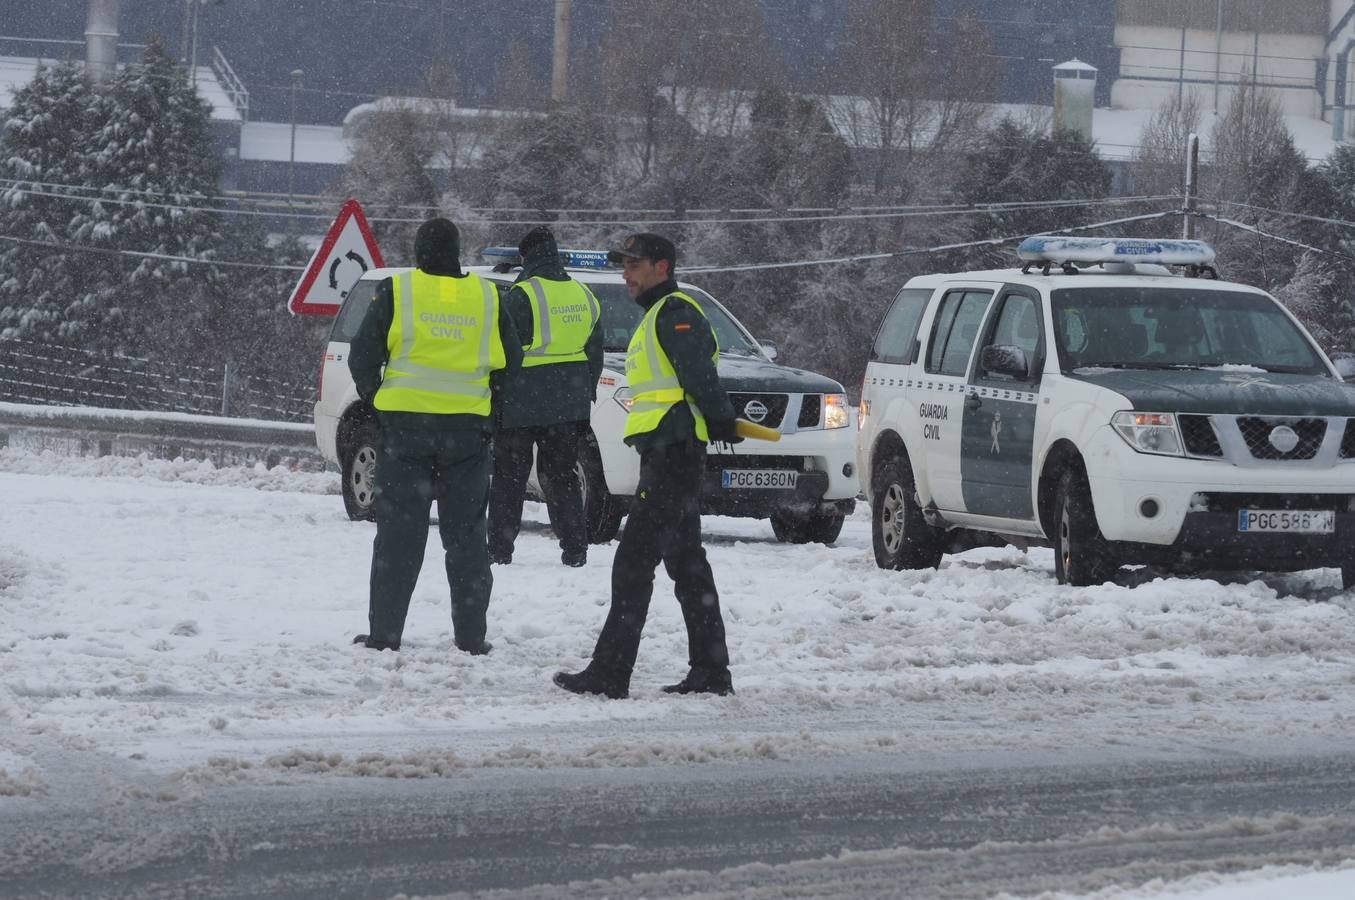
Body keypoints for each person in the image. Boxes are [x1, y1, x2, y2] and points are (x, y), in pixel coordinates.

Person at [553, 233, 741, 700]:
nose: (626, 274)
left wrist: (720, 419)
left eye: (634, 265)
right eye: (624, 265)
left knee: (634, 562)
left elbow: (698, 374)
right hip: (666, 450)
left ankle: (611, 673)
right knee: (687, 563)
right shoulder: (658, 316)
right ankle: (711, 671)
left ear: (662, 267)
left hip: (674, 453)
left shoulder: (676, 314)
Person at [348, 217, 521, 654]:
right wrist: (488, 412)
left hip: (404, 436)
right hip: (466, 437)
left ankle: (385, 635)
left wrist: (379, 403)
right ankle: (471, 638)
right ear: (459, 251)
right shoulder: (488, 297)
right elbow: (511, 364)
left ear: (419, 252)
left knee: (398, 539)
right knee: (466, 540)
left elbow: (361, 357)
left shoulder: (398, 292)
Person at [488, 225, 604, 567]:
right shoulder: (584, 294)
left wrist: (497, 394)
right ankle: (575, 548)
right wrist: (585, 392)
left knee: (510, 477)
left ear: (526, 256)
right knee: (562, 476)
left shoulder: (523, 294)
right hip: (568, 406)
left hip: (521, 403)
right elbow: (593, 353)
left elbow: (503, 350)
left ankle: (499, 550)